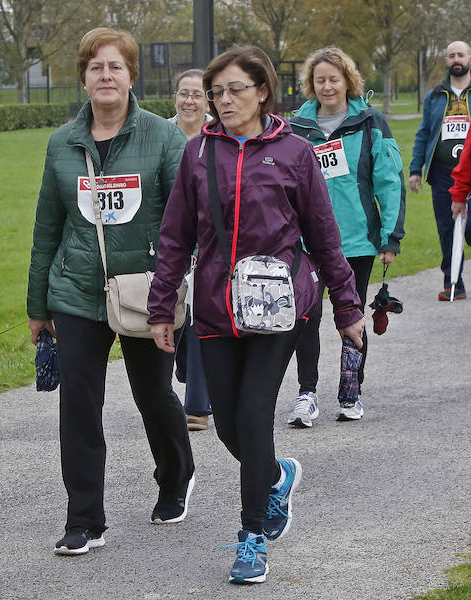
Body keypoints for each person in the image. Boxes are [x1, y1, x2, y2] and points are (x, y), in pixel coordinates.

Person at [147, 46, 364, 584]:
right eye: (216, 92)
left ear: (263, 91)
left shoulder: (294, 152)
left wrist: (347, 307)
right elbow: (175, 236)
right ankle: (275, 476)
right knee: (224, 422)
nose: (223, 101)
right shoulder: (198, 154)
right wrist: (161, 307)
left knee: (252, 415)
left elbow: (323, 235)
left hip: (281, 307)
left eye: (234, 90)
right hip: (217, 308)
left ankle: (251, 538)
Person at [27, 27, 195, 557]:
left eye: (116, 67)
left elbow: (181, 222)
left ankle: (175, 475)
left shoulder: (163, 138)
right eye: (96, 67)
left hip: (145, 291)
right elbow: (46, 228)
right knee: (79, 405)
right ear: (83, 77)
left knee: (152, 395)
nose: (106, 76)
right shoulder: (62, 143)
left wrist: (169, 292)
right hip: (76, 291)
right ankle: (85, 519)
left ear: (131, 76)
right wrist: (38, 305)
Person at [288, 47, 405, 426]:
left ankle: (350, 391)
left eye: (333, 79)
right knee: (305, 316)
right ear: (311, 83)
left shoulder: (370, 122)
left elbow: (388, 181)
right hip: (306, 242)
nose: (327, 86)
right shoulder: (295, 126)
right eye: (319, 80)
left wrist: (391, 236)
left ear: (347, 81)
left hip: (356, 240)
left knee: (350, 314)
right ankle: (307, 394)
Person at [409, 41, 471, 301]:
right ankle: (453, 283)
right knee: (447, 228)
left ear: (470, 58)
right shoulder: (435, 95)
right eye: (451, 55)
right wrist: (415, 169)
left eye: (461, 54)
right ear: (446, 61)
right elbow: (424, 133)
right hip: (443, 173)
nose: (456, 59)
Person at [168, 68, 213, 431]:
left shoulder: (218, 136)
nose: (189, 101)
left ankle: (197, 405)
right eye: (184, 93)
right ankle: (185, 375)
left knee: (198, 316)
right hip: (167, 237)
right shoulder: (162, 135)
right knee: (175, 315)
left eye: (197, 94)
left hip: (207, 239)